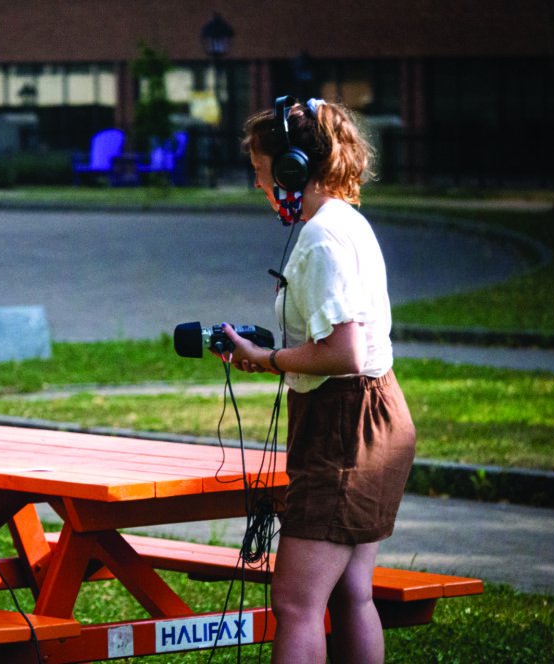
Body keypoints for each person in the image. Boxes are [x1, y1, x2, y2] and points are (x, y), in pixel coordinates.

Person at [220, 98, 416, 664]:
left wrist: (270, 358)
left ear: (292, 168)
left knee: (296, 603)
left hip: (345, 424)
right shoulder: (343, 221)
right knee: (352, 594)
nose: (259, 183)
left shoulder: (323, 238)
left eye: (260, 169)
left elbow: (344, 352)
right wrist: (273, 356)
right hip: (370, 416)